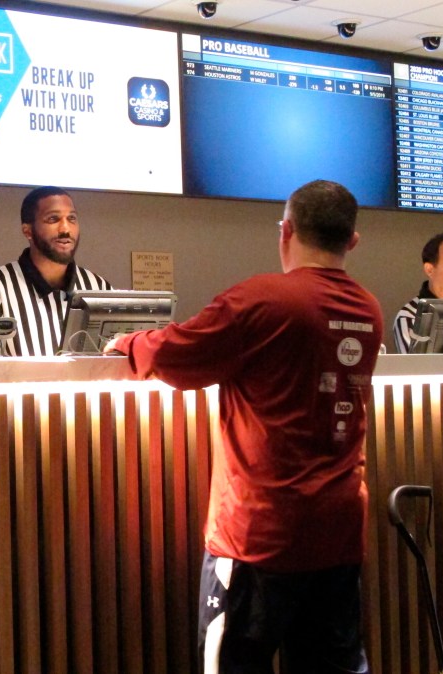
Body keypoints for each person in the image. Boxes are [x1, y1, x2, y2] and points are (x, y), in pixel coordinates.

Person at [105, 180, 382, 673]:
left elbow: (176, 357)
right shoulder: (369, 309)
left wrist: (128, 342)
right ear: (352, 241)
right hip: (338, 533)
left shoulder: (263, 300)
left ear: (287, 230)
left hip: (259, 537)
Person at [0, 185, 112, 356]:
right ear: (28, 231)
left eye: (72, 218)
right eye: (53, 219)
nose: (65, 229)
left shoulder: (99, 288)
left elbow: (118, 363)